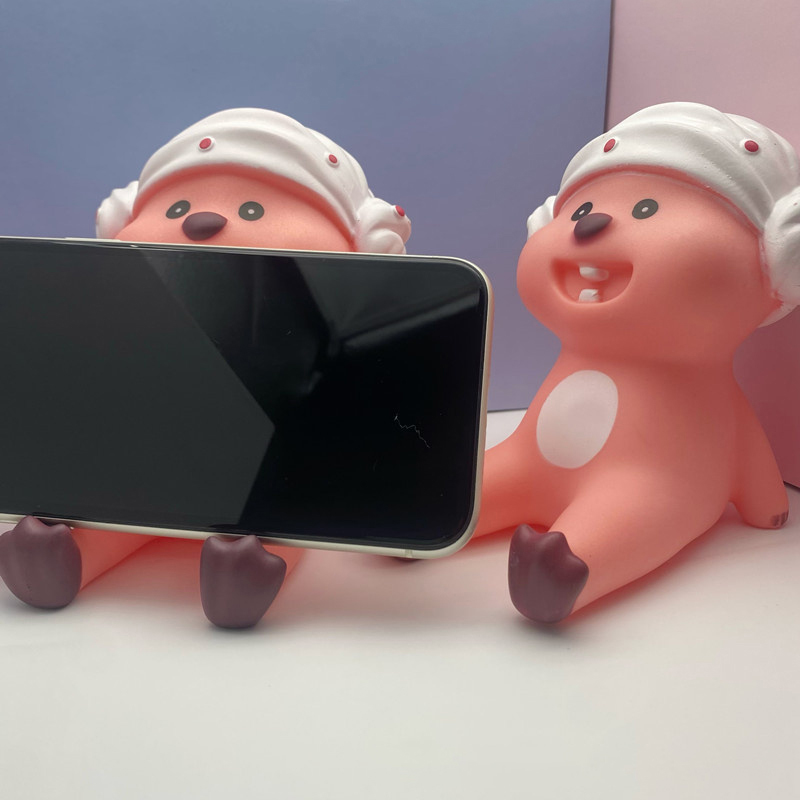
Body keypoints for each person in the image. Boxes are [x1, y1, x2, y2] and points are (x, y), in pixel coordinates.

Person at [0, 108, 410, 628]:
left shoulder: (306, 333)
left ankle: (249, 569)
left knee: (279, 516)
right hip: (153, 459)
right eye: (177, 207)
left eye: (254, 210)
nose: (203, 221)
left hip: (267, 473)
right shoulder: (142, 319)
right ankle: (64, 558)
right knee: (123, 503)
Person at [474, 102, 800, 622]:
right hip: (531, 458)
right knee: (490, 478)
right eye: (580, 209)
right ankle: (429, 520)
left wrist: (765, 500)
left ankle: (564, 571)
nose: (592, 224)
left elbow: (741, 436)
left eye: (647, 209)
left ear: (775, 264)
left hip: (661, 480)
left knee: (636, 504)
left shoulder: (702, 383)